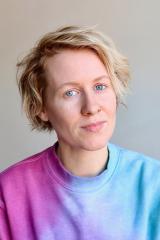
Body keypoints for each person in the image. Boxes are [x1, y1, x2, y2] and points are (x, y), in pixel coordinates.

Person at [0, 25, 159, 240]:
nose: (91, 107)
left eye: (100, 86)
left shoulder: (154, 183)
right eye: (70, 92)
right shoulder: (9, 192)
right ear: (41, 107)